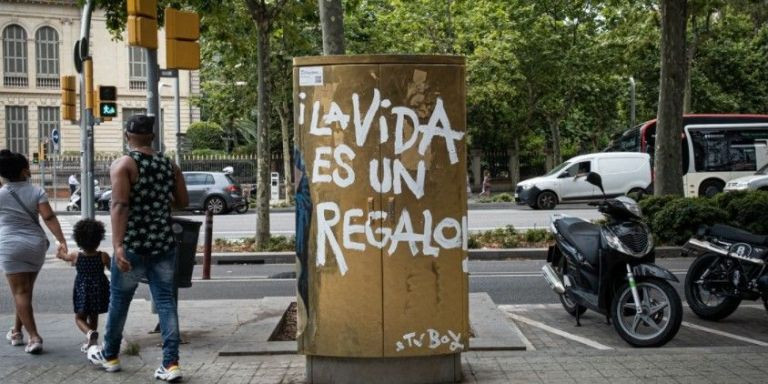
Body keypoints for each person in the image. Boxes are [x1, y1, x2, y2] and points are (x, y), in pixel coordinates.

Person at [87, 115, 188, 382]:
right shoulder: (169, 165)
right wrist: (157, 201)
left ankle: (110, 355)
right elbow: (182, 202)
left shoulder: (124, 164)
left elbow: (119, 205)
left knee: (120, 300)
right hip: (163, 243)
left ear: (126, 136)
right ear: (152, 136)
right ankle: (171, 363)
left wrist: (118, 245)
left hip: (132, 244)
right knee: (166, 302)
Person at [0, 149, 68, 354]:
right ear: (24, 171)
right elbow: (48, 217)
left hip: (10, 246)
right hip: (35, 245)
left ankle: (34, 337)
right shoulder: (36, 191)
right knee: (25, 292)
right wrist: (61, 240)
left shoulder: (1, 194)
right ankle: (17, 331)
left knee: (20, 293)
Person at [56, 219, 110, 353]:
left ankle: (90, 334)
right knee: (94, 315)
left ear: (78, 239)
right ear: (99, 239)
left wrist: (60, 251)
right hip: (99, 289)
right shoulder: (103, 256)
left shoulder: (76, 256)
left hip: (82, 289)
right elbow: (114, 270)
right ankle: (92, 342)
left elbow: (63, 256)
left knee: (80, 317)